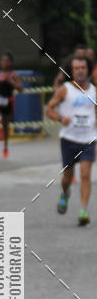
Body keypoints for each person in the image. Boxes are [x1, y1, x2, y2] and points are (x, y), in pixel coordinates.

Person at [46, 54, 97, 226]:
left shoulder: (94, 90)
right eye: (77, 68)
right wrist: (61, 118)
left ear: (88, 69)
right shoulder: (65, 90)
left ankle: (83, 210)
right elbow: (49, 110)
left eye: (83, 68)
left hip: (89, 139)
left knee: (85, 174)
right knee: (67, 177)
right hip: (69, 140)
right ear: (72, 70)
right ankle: (65, 193)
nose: (80, 71)